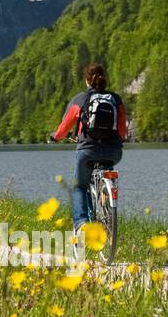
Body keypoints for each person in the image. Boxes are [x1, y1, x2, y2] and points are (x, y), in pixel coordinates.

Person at [50, 64, 127, 233]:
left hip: (87, 150)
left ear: (87, 80)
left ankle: (81, 223)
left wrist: (55, 136)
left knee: (79, 187)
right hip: (113, 152)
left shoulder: (81, 99)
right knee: (106, 171)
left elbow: (64, 127)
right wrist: (117, 140)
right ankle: (106, 209)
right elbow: (122, 131)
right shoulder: (115, 99)